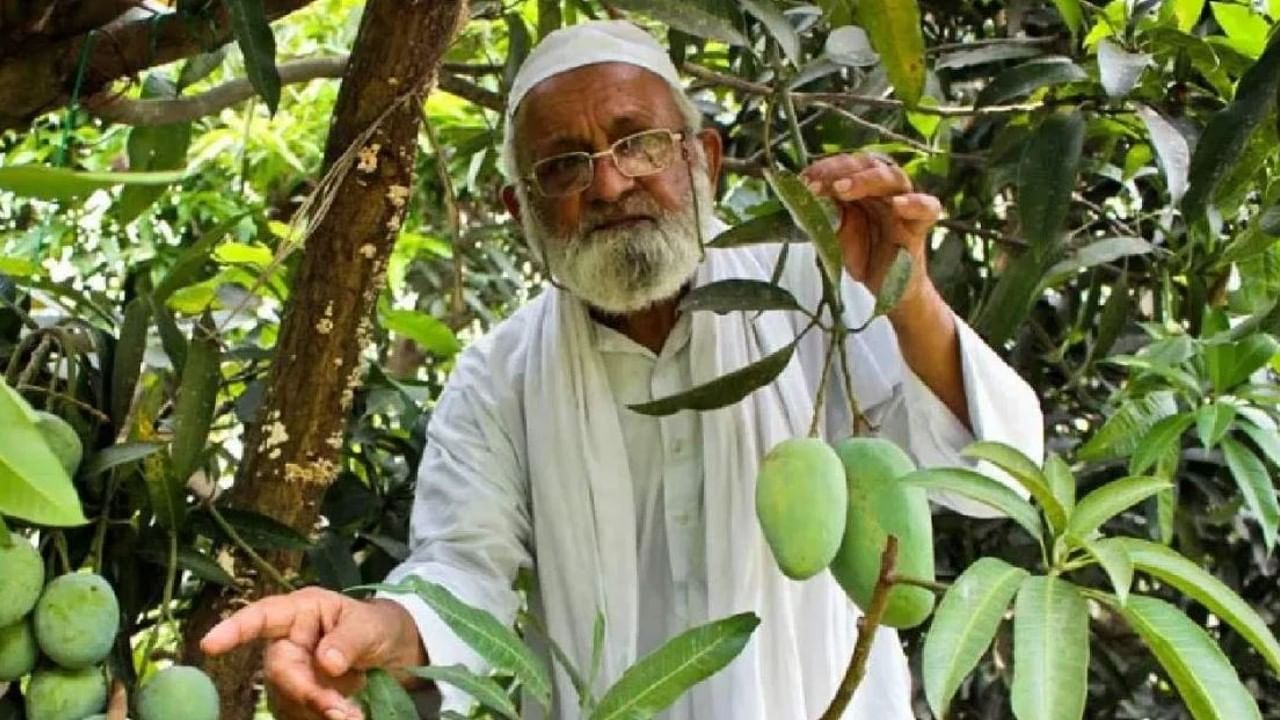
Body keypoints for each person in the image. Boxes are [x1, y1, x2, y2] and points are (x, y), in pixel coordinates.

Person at [200, 20, 1044, 720]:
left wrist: (905, 294)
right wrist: (380, 627)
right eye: (563, 165)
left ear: (704, 161)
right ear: (520, 214)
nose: (608, 183)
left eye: (639, 142)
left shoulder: (808, 291)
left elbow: (980, 480)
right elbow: (464, 577)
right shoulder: (496, 381)